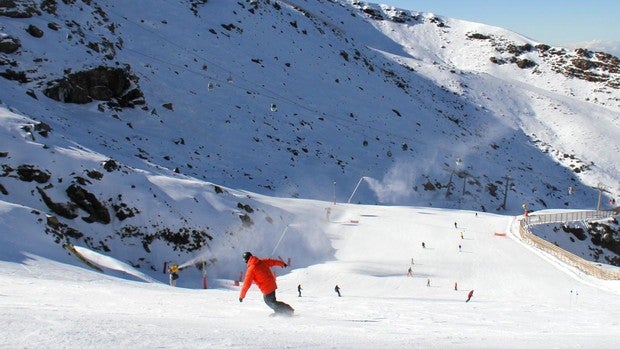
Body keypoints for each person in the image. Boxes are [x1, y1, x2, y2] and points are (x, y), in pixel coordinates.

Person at [238, 252, 294, 316]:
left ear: (246, 260)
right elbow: (273, 261)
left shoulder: (251, 269)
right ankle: (280, 311)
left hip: (267, 288)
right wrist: (282, 264)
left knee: (269, 302)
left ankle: (288, 310)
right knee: (272, 301)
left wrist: (241, 296)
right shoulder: (261, 261)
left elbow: (246, 284)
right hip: (272, 284)